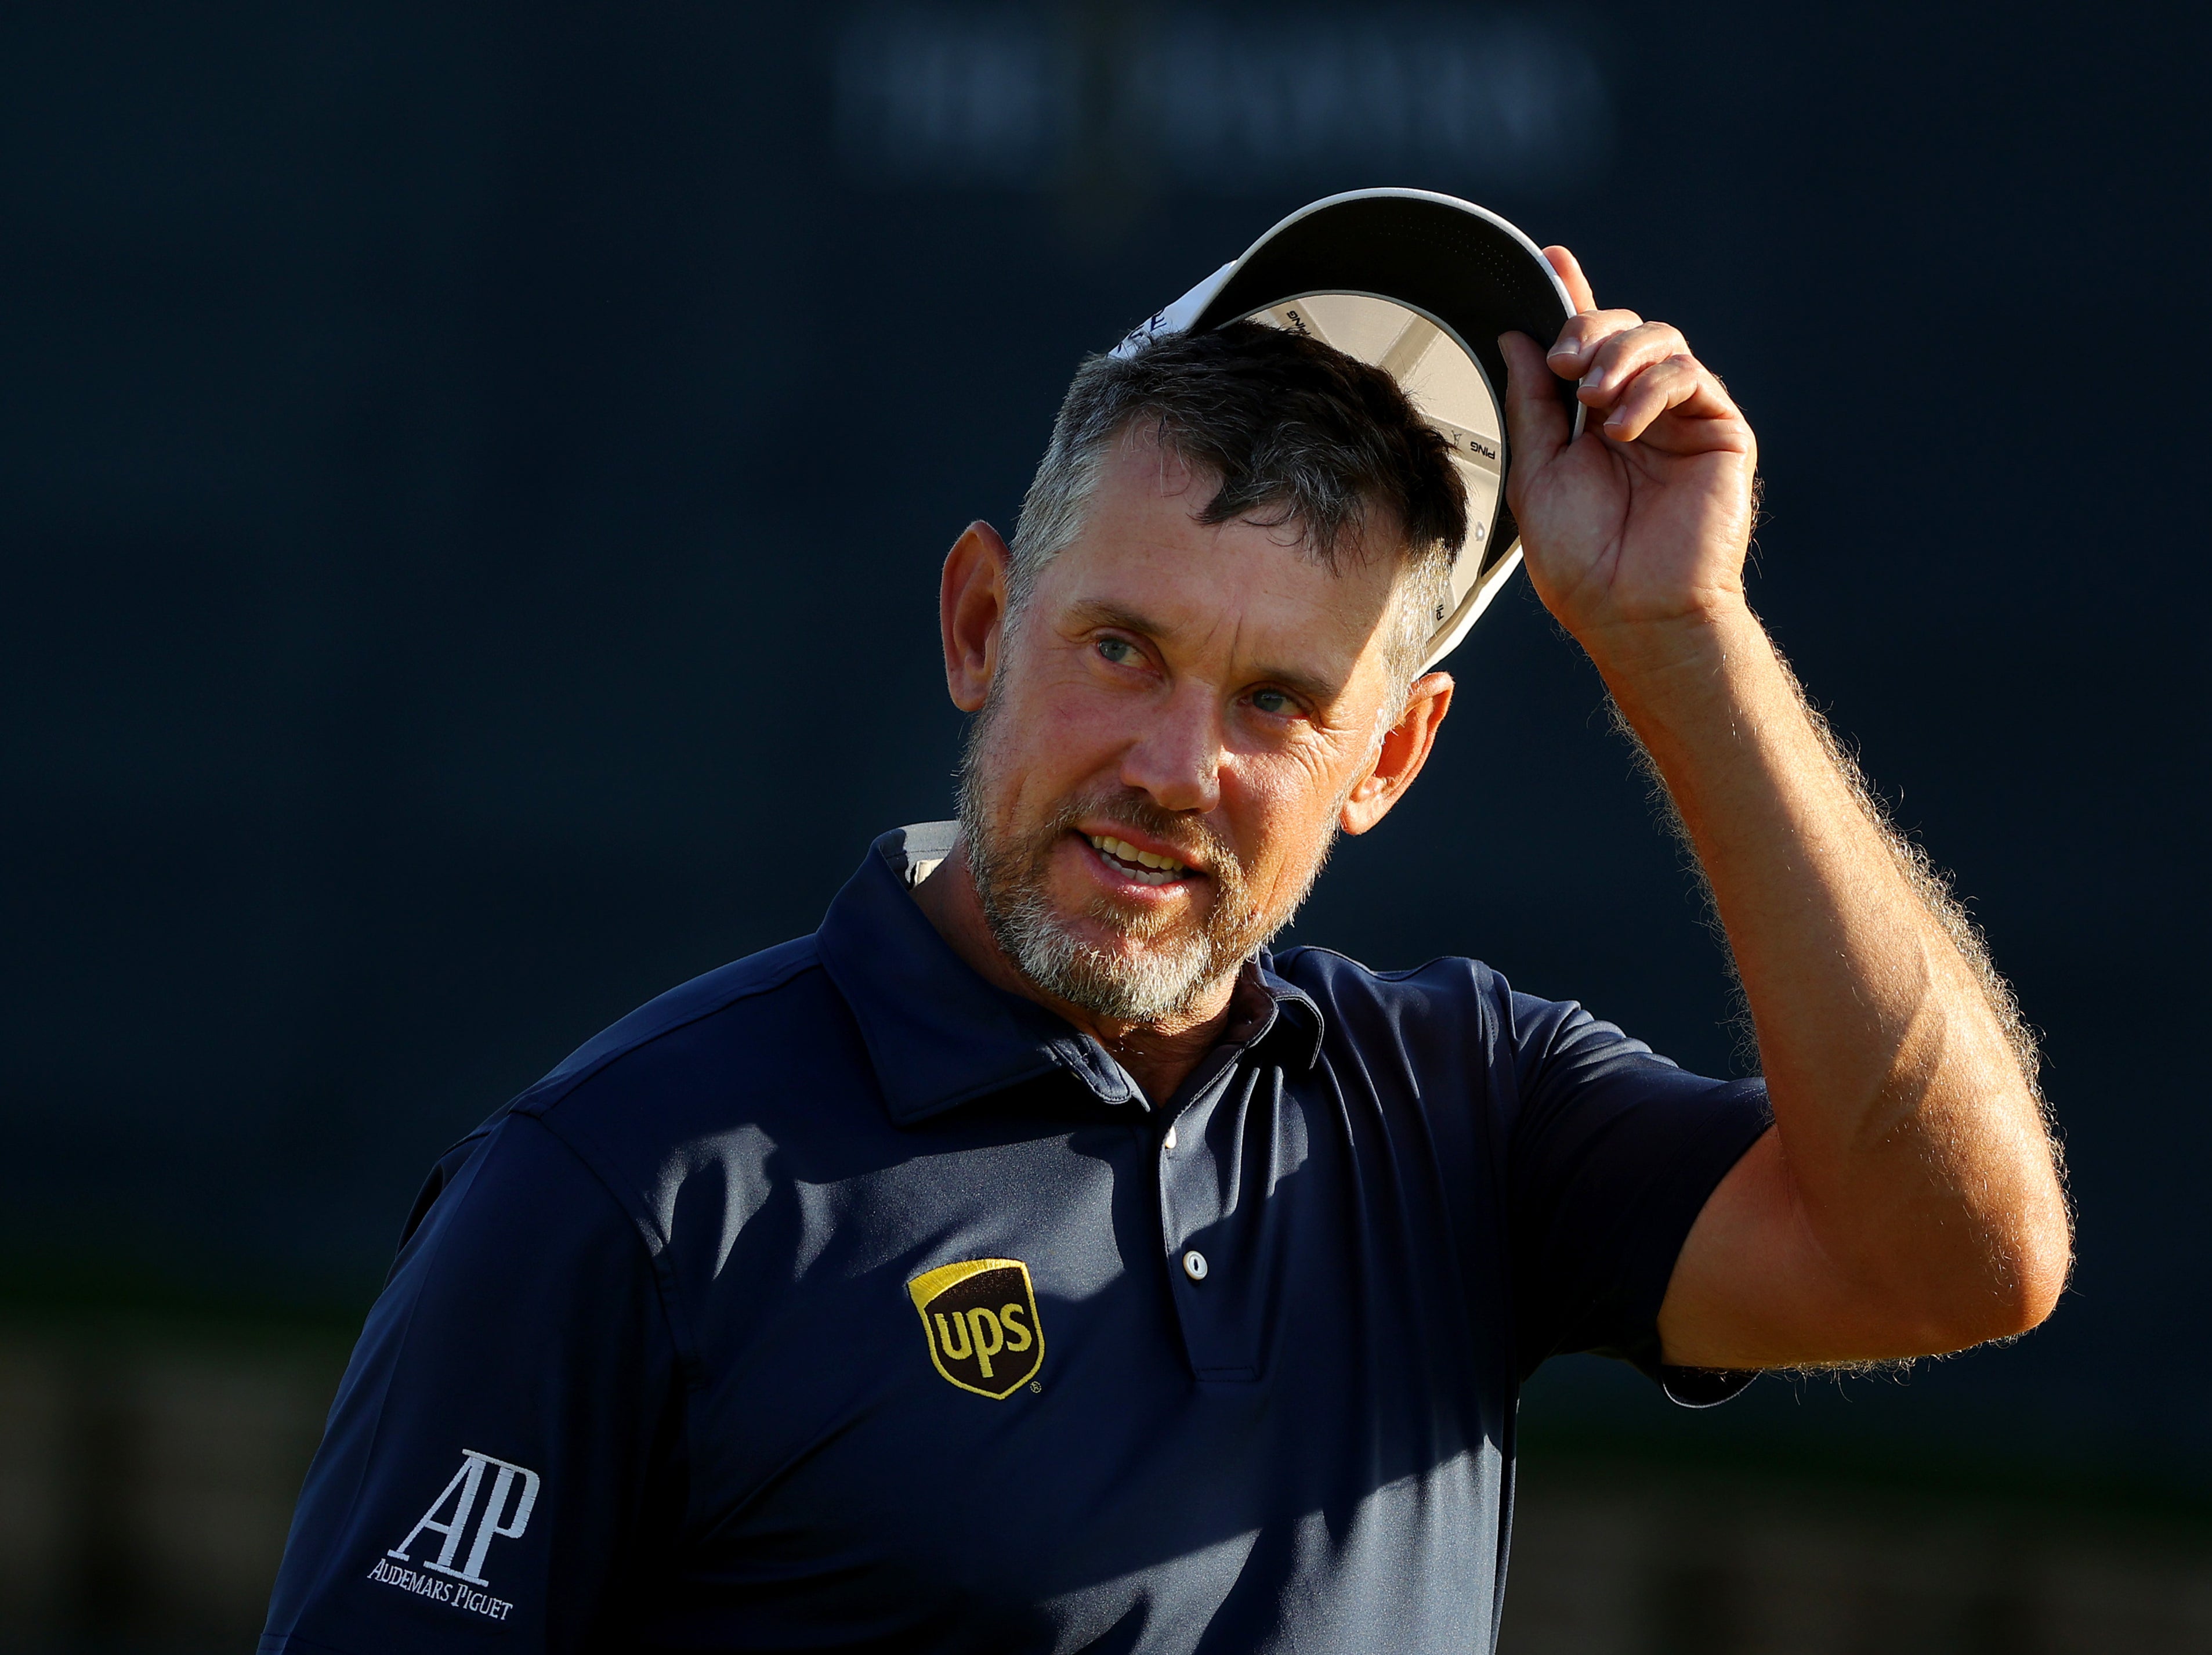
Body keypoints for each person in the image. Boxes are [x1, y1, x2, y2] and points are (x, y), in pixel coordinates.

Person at [260, 244, 2069, 1654]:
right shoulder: (617, 1192)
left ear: (1391, 759)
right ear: (982, 622)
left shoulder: (1464, 1113)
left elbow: (1962, 1256)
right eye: (1121, 646)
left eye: (1279, 699)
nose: (1173, 769)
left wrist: (1685, 639)